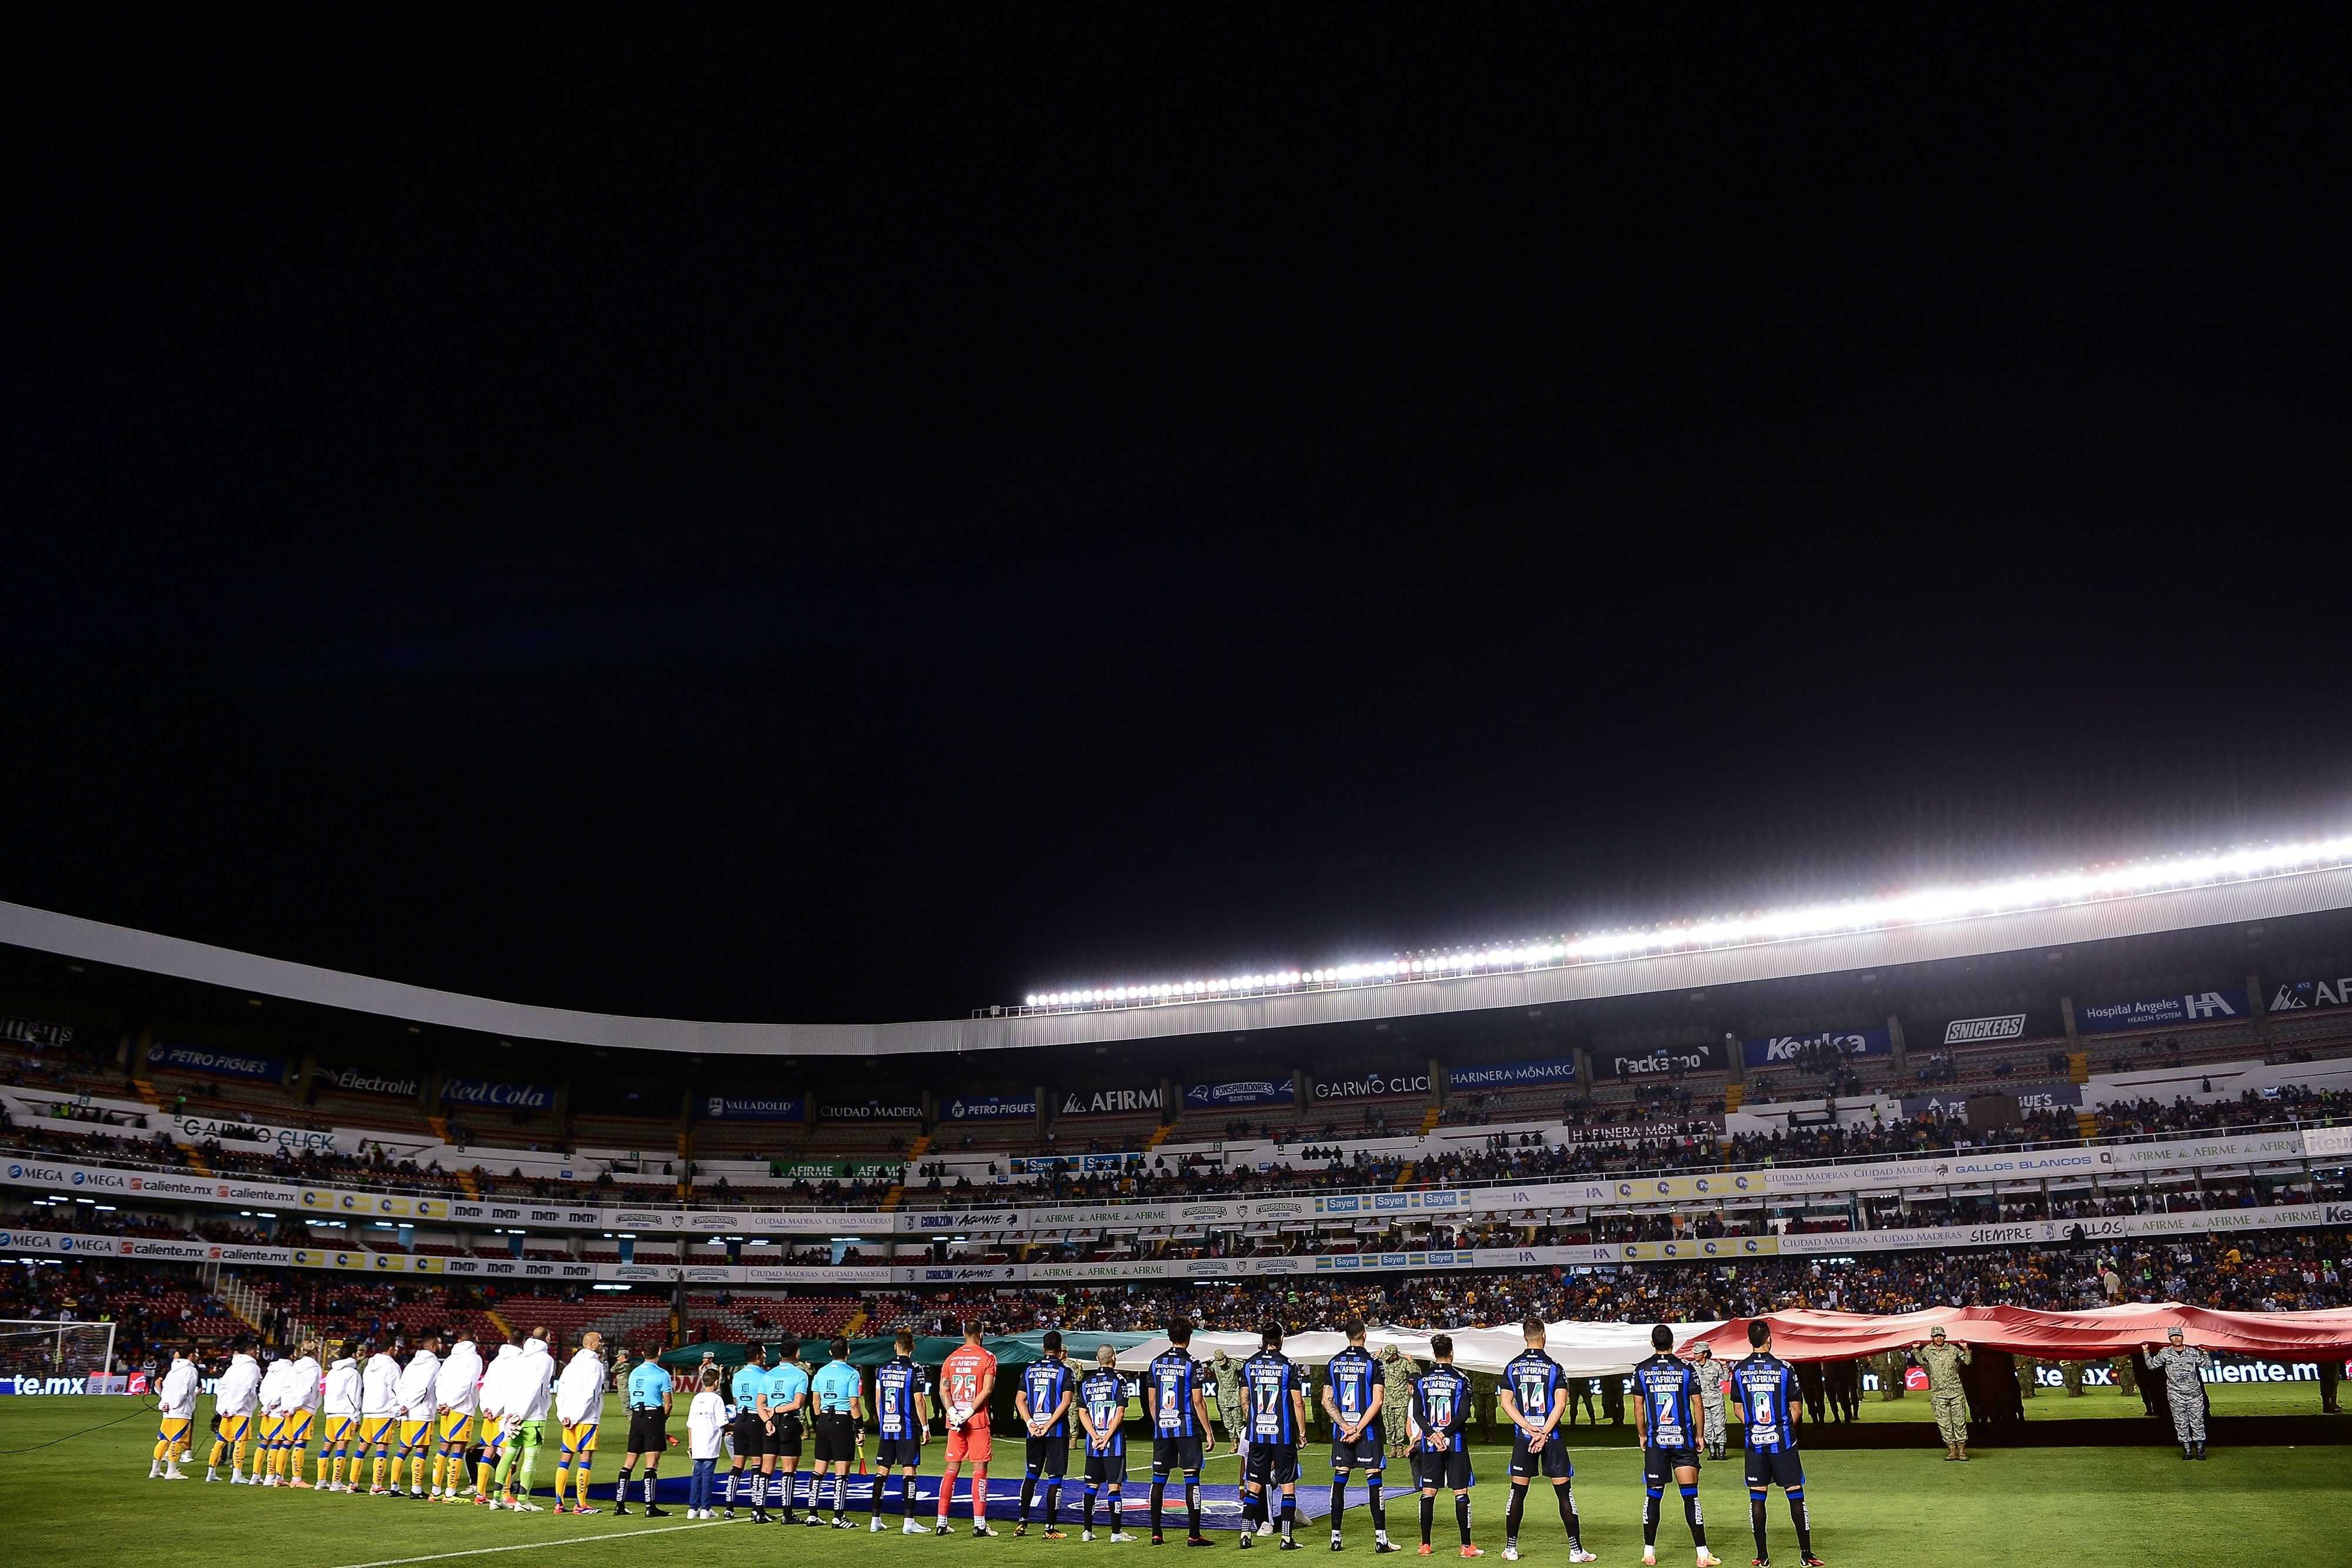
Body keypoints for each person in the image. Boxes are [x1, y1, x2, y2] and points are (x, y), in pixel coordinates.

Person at [1496, 1319, 1592, 1564]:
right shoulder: (1554, 1368)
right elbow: (1561, 1404)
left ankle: (1511, 1548)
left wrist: (1529, 1428)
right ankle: (1575, 1550)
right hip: (1553, 1438)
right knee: (1564, 1494)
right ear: (1544, 1336)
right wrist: (1545, 1433)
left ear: (1524, 1337)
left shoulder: (1512, 1366)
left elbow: (1506, 1403)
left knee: (1517, 1493)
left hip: (1524, 1438)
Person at [1731, 1321, 1820, 1568]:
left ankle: (1762, 1557)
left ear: (1749, 1340)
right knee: (1795, 1496)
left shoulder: (1739, 1370)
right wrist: (1780, 1429)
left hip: (1755, 1443)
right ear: (1769, 1338)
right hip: (1783, 1442)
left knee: (1757, 1499)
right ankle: (1806, 1554)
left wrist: (1755, 1427)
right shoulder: (1784, 1368)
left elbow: (1738, 1408)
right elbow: (1797, 1410)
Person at [1632, 1326, 1720, 1568]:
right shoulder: (1686, 1368)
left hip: (1656, 1441)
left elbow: (1638, 1408)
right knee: (1691, 1497)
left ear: (1653, 1343)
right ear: (1673, 1344)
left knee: (1653, 1497)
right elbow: (1698, 1405)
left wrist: (1642, 1435)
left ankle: (1648, 1552)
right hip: (1683, 1440)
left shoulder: (1642, 1370)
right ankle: (1702, 1554)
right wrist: (1700, 1436)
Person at [1322, 1321, 1396, 1553]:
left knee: (1340, 1479)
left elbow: (1327, 1400)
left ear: (1347, 1336)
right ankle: (1380, 1539)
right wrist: (1359, 1428)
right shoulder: (1374, 1363)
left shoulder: (1334, 1362)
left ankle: (1335, 1538)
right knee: (1374, 1480)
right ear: (1364, 1335)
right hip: (1368, 1433)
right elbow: (1378, 1401)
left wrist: (1346, 1427)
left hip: (1342, 1433)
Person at [1144, 1319, 1216, 1546]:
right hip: (1186, 1429)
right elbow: (1198, 1401)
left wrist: (1160, 1424)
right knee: (1192, 1480)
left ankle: (1156, 1533)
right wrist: (1209, 1432)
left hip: (1163, 1429)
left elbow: (1152, 1401)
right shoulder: (1192, 1363)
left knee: (1158, 1481)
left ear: (1169, 1337)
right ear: (1189, 1337)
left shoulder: (1156, 1363)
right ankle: (1194, 1535)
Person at [1240, 1324, 1309, 1549]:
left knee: (1254, 1485)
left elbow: (1245, 1399)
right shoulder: (1289, 1365)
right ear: (1281, 1339)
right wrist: (1302, 1433)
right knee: (1288, 1486)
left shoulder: (1249, 1364)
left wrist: (1252, 1423)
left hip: (1258, 1434)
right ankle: (1286, 1538)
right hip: (1283, 1435)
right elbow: (1298, 1402)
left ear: (1263, 1338)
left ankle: (1245, 1535)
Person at [1411, 1333, 1480, 1558]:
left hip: (1431, 1444)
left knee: (1428, 1492)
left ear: (1434, 1354)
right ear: (1452, 1353)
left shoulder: (1422, 1380)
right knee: (1460, 1492)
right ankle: (1466, 1546)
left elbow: (1418, 1414)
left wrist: (1432, 1434)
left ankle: (1425, 1545)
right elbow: (1463, 1414)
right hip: (1455, 1443)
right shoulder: (1462, 1380)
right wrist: (1446, 1433)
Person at [937, 1320, 1002, 1536]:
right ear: (981, 1334)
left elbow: (943, 1391)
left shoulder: (951, 1358)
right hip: (977, 1421)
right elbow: (988, 1390)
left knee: (951, 1470)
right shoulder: (988, 1357)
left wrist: (954, 1413)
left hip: (955, 1422)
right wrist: (969, 1412)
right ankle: (979, 1524)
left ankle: (941, 1522)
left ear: (964, 1332)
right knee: (979, 1471)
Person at [872, 1328, 934, 1533]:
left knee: (882, 1471)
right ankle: (909, 1521)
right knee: (909, 1470)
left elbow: (878, 1400)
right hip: (907, 1428)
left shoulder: (882, 1368)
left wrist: (883, 1422)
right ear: (913, 1347)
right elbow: (919, 1400)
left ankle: (875, 1519)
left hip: (887, 1426)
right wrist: (925, 1427)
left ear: (895, 1346)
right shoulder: (915, 1369)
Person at [1015, 1330, 1076, 1537]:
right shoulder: (1065, 1371)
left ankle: (1022, 1523)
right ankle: (1050, 1528)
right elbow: (1066, 1402)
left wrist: (1031, 1423)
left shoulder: (1029, 1370)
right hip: (1056, 1432)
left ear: (1043, 1348)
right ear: (1061, 1350)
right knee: (1055, 1479)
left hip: (1034, 1431)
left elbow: (1019, 1400)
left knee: (1031, 1475)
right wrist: (1050, 1423)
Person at [1077, 1343, 1135, 1543]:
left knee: (1091, 1486)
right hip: (1114, 1443)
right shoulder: (1119, 1381)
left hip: (1093, 1444)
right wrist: (1107, 1436)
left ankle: (1087, 1531)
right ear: (1114, 1357)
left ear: (1097, 1358)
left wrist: (1095, 1436)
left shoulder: (1086, 1382)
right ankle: (1116, 1533)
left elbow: (1082, 1413)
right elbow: (1120, 1412)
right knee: (1114, 1487)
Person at [493, 1329, 556, 1511]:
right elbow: (537, 1388)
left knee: (509, 1454)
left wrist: (511, 1414)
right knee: (531, 1457)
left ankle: (496, 1498)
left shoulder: (521, 1357)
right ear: (548, 1338)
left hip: (512, 1415)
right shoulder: (545, 1360)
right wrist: (522, 1413)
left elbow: (511, 1387)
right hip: (533, 1416)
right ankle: (522, 1501)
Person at [615, 1341, 674, 1517]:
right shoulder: (662, 1374)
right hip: (653, 1415)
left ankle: (620, 1504)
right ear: (660, 1352)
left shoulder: (634, 1372)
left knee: (629, 1462)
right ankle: (650, 1506)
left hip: (636, 1417)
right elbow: (668, 1403)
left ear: (642, 1353)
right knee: (652, 1463)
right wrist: (661, 1420)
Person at [811, 1336, 866, 1527]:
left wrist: (821, 1419)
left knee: (820, 1468)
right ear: (848, 1352)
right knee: (842, 1470)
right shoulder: (852, 1373)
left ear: (830, 1353)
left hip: (824, 1419)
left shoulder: (820, 1373)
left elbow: (815, 1402)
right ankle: (838, 1516)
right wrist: (860, 1427)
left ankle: (812, 1513)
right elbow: (854, 1403)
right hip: (842, 1420)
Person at [553, 1330, 607, 1514]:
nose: (602, 1344)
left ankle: (559, 1503)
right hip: (586, 1418)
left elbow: (561, 1392)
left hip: (568, 1418)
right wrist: (577, 1416)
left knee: (565, 1458)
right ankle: (581, 1504)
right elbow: (591, 1394)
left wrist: (564, 1416)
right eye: (600, 1341)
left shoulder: (571, 1365)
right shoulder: (595, 1365)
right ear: (591, 1345)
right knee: (585, 1458)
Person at [2143, 1327, 2214, 1460]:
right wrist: (2146, 1352)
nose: (2176, 1338)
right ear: (2169, 1339)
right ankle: (2187, 1450)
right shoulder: (2165, 1353)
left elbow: (2208, 1366)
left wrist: (2205, 1354)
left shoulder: (2192, 1352)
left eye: (2178, 1336)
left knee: (2198, 1422)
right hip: (2176, 1395)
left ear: (2183, 1337)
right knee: (2181, 1423)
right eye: (2173, 1336)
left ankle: (2200, 1450)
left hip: (2194, 1394)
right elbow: (2152, 1366)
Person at [432, 1329, 484, 1502]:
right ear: (474, 1340)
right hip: (461, 1408)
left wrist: (442, 1403)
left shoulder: (450, 1359)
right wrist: (452, 1404)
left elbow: (439, 1382)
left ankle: (436, 1491)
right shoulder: (474, 1359)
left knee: (444, 1447)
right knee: (458, 1449)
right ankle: (450, 1492)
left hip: (446, 1407)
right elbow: (468, 1384)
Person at [471, 1336, 521, 1505]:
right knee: (507, 1454)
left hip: (490, 1412)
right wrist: (499, 1410)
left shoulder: (496, 1362)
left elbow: (485, 1386)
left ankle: (480, 1494)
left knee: (489, 1451)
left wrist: (486, 1408)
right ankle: (506, 1494)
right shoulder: (520, 1362)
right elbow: (512, 1390)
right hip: (505, 1414)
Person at [1910, 1328, 1972, 1462]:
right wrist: (1916, 1350)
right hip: (1939, 1394)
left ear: (1945, 1337)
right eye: (1936, 1336)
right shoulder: (1927, 1350)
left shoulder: (1953, 1350)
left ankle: (1962, 1451)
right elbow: (1921, 1361)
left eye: (1941, 1336)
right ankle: (1952, 1450)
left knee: (1959, 1422)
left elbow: (1967, 1361)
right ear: (1932, 1338)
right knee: (1944, 1424)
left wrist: (1966, 1349)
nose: (1939, 1338)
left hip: (1956, 1392)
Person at [395, 1332, 442, 1498]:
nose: (440, 1347)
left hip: (407, 1413)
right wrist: (409, 1405)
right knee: (422, 1449)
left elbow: (400, 1386)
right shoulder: (434, 1365)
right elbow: (425, 1389)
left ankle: (395, 1486)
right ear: (432, 1346)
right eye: (438, 1344)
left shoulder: (412, 1364)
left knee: (404, 1449)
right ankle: (416, 1489)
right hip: (422, 1411)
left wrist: (403, 1406)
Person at [208, 1339, 261, 1484]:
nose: (258, 1354)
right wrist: (235, 1408)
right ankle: (237, 1474)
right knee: (240, 1442)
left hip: (227, 1410)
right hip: (241, 1410)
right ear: (251, 1352)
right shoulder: (252, 1368)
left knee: (220, 1441)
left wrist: (223, 1409)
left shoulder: (232, 1368)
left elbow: (221, 1388)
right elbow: (247, 1390)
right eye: (256, 1351)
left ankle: (211, 1473)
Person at [359, 1338, 403, 1494]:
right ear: (390, 1349)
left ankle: (353, 1483)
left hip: (369, 1409)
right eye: (396, 1348)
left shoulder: (369, 1364)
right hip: (384, 1410)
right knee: (382, 1447)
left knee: (363, 1446)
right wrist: (398, 1413)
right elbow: (395, 1390)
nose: (397, 1351)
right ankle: (377, 1485)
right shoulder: (392, 1366)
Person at [318, 1342, 363, 1492]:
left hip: (330, 1413)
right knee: (342, 1446)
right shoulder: (352, 1373)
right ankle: (336, 1483)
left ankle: (321, 1481)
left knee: (327, 1446)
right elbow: (353, 1396)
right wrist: (356, 1417)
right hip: (345, 1413)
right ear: (354, 1354)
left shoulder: (332, 1372)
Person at [149, 1347, 198, 1481]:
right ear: (190, 1355)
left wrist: (165, 1404)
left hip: (167, 1411)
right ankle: (171, 1470)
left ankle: (155, 1470)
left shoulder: (172, 1371)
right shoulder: (190, 1370)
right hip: (181, 1411)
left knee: (164, 1439)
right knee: (178, 1440)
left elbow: (165, 1389)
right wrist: (176, 1404)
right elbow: (186, 1391)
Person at [282, 1339, 323, 1490]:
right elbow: (309, 1390)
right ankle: (296, 1478)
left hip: (290, 1407)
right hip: (304, 1407)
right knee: (300, 1442)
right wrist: (295, 1406)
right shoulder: (314, 1368)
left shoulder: (294, 1367)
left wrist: (287, 1406)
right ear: (315, 1351)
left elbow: (286, 1387)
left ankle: (278, 1477)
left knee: (287, 1442)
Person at [687, 1367, 728, 1519]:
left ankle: (692, 1508)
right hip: (710, 1442)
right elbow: (722, 1423)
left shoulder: (696, 1398)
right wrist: (735, 1426)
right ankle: (705, 1508)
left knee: (696, 1476)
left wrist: (691, 1445)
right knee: (707, 1477)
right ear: (716, 1382)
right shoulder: (717, 1399)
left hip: (697, 1443)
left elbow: (690, 1424)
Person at [1692, 1345, 1733, 1460]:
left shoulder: (1715, 1366)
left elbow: (1725, 1378)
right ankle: (1712, 1451)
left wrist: (1725, 1366)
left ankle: (1721, 1451)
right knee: (1707, 1427)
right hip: (1702, 1402)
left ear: (1705, 1354)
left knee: (1719, 1426)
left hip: (1716, 1400)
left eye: (1697, 1353)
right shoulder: (1692, 1367)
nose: (1695, 1355)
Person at [1382, 1347, 1420, 1463]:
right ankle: (1392, 1448)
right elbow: (1375, 1365)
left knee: (1400, 1426)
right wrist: (1377, 1356)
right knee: (1389, 1425)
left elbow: (1417, 1373)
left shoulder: (1404, 1363)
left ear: (1395, 1355)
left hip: (1401, 1400)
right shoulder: (1384, 1362)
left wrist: (1411, 1361)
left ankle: (1400, 1448)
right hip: (1387, 1399)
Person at [1215, 1348, 1250, 1460]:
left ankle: (1242, 1444)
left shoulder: (1233, 1363)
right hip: (1223, 1398)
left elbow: (1244, 1366)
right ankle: (1233, 1443)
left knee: (1239, 1423)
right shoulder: (1215, 1365)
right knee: (1228, 1424)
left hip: (1235, 1398)